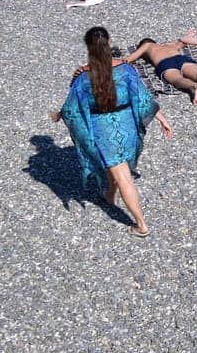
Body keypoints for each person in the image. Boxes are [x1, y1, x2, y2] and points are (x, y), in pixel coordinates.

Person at [51, 27, 173, 237]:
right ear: (109, 43)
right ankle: (109, 194)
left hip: (103, 131)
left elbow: (72, 109)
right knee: (117, 167)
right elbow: (143, 98)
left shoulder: (82, 77)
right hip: (127, 127)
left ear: (88, 47)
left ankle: (141, 225)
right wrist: (162, 118)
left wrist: (60, 115)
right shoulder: (126, 70)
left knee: (123, 176)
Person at [124, 38, 197, 105]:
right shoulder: (168, 46)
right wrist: (188, 36)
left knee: (177, 79)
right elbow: (182, 42)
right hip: (180, 58)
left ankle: (194, 86)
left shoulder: (147, 45)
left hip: (165, 62)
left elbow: (130, 58)